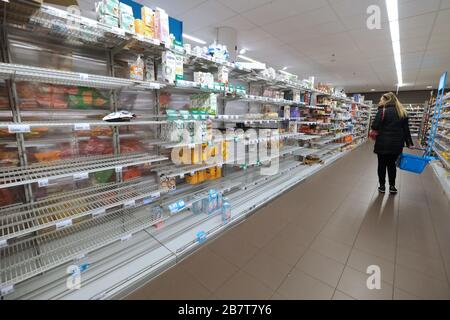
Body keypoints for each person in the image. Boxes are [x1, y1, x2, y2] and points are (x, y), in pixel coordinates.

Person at [371, 92, 414, 194]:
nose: (380, 101)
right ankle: (392, 186)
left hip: (382, 143)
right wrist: (409, 143)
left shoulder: (382, 110)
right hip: (396, 145)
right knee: (392, 165)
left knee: (381, 165)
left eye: (381, 99)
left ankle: (382, 186)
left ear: (387, 100)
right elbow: (406, 130)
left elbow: (375, 126)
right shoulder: (402, 111)